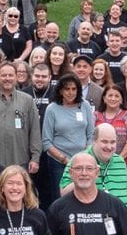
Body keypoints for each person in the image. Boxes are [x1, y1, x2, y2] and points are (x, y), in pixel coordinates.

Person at [40, 73, 95, 203]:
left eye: (74, 89)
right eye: (67, 89)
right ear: (60, 90)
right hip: (59, 162)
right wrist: (65, 160)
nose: (70, 92)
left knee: (83, 195)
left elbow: (91, 134)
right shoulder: (52, 109)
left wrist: (85, 155)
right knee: (61, 198)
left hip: (83, 162)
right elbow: (46, 142)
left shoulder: (85, 105)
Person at [0, 61, 42, 171]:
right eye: (3, 75)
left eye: (10, 75)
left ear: (16, 77)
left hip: (21, 161)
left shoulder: (27, 100)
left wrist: (35, 158)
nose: (7, 78)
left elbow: (35, 131)